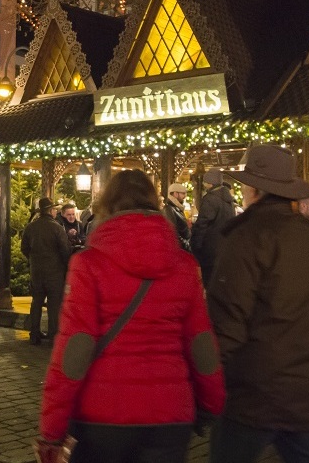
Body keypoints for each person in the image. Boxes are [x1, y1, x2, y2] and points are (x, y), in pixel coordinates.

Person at [37, 169, 225, 463]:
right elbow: (200, 341)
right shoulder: (184, 265)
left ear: (108, 206)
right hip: (170, 414)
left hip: (102, 416)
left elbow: (74, 349)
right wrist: (212, 402)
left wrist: (51, 428)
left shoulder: (88, 264)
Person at [207, 145, 309, 463]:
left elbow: (229, 321)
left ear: (254, 190)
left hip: (253, 391)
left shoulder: (246, 239)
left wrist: (209, 376)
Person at [20, 197, 70, 346]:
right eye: (54, 209)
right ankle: (53, 335)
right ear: (51, 211)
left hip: (36, 271)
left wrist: (34, 259)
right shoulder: (57, 228)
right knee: (54, 304)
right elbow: (65, 250)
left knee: (36, 302)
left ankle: (34, 333)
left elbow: (24, 248)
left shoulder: (31, 227)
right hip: (54, 272)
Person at [190, 169, 236, 282]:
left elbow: (202, 225)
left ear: (210, 183)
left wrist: (195, 246)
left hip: (210, 249)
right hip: (224, 248)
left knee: (208, 281)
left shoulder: (210, 199)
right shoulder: (228, 200)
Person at [164, 183, 191, 251]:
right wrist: (186, 245)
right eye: (183, 193)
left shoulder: (176, 208)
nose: (185, 196)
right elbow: (173, 232)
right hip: (181, 249)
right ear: (175, 194)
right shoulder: (169, 209)